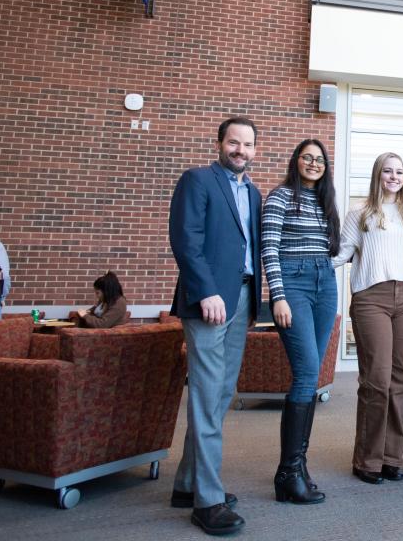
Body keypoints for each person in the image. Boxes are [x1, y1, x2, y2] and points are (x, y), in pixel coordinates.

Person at [168, 117, 262, 536]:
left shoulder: (255, 193)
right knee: (207, 394)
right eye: (233, 142)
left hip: (242, 297)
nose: (240, 150)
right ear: (220, 143)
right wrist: (205, 290)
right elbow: (185, 238)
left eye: (247, 144)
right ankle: (208, 499)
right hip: (209, 299)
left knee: (221, 394)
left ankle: (187, 484)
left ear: (255, 150)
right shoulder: (198, 180)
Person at [262, 138, 340, 505]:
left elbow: (330, 249)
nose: (313, 164)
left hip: (326, 284)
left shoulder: (324, 202)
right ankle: (287, 474)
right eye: (307, 158)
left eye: (319, 159)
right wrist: (278, 296)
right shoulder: (279, 197)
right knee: (307, 372)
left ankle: (299, 466)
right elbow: (269, 248)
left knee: (311, 375)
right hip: (293, 285)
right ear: (296, 162)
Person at [333, 152, 403, 485]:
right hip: (372, 298)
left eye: (399, 172)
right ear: (377, 175)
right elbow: (341, 253)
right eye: (388, 171)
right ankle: (367, 459)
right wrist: (310, 264)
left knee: (401, 382)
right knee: (377, 380)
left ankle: (391, 457)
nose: (394, 177)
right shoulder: (360, 213)